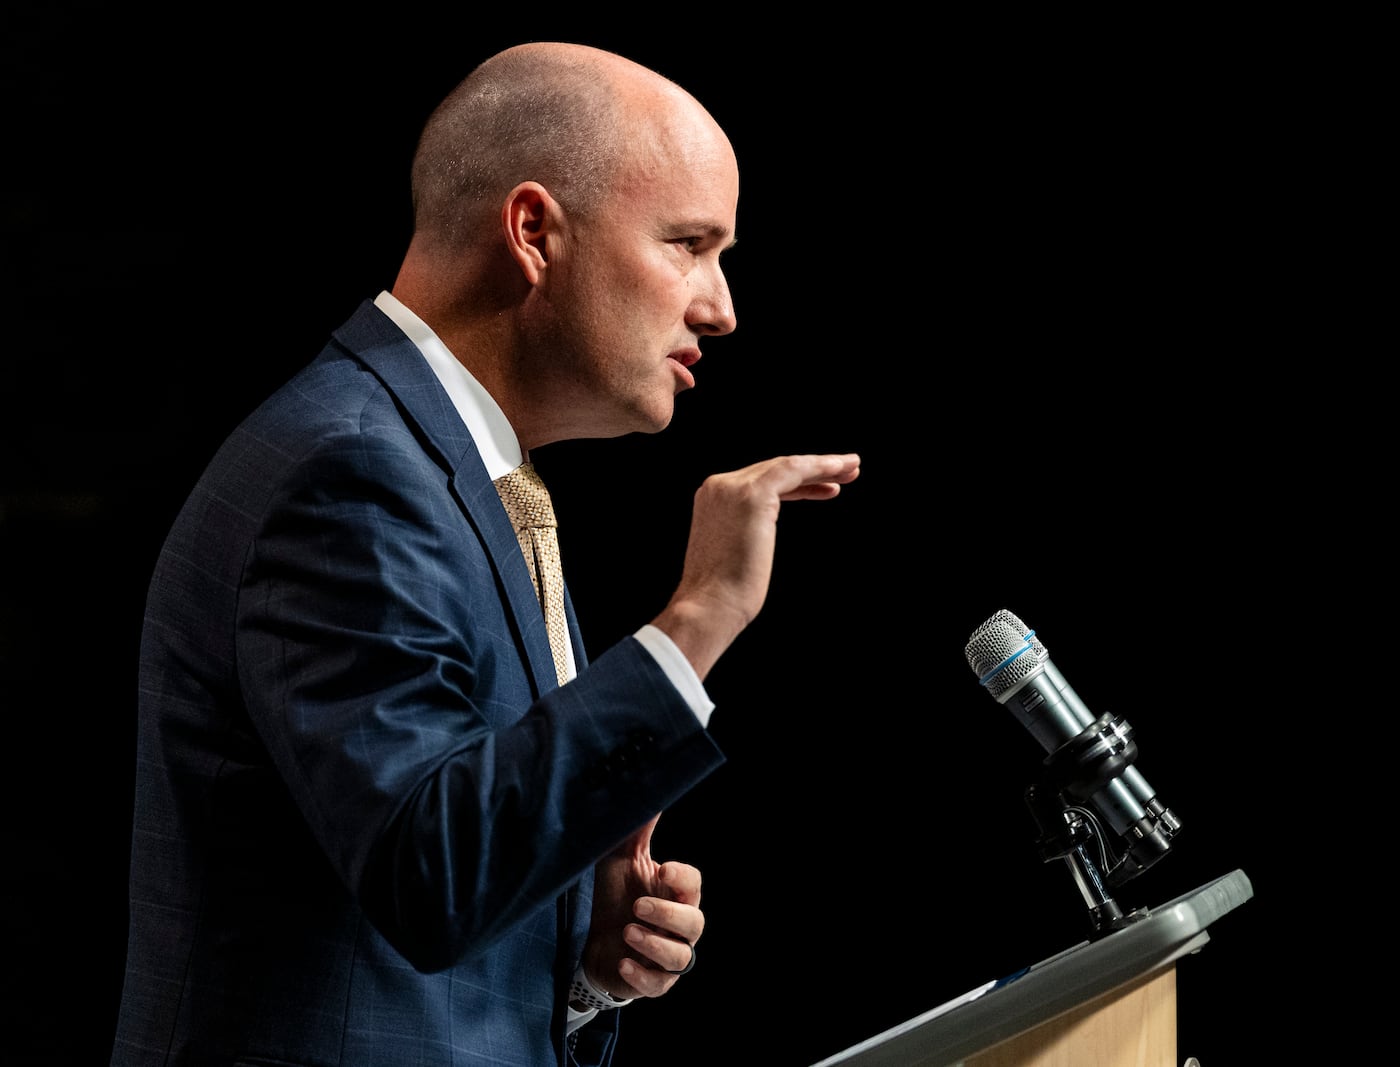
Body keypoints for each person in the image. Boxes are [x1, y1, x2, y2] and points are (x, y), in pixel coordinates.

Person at [109, 40, 860, 1067]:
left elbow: (431, 895)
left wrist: (582, 962)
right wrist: (697, 619)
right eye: (689, 243)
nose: (721, 306)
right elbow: (433, 870)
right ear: (534, 230)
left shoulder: (461, 473)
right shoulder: (352, 471)